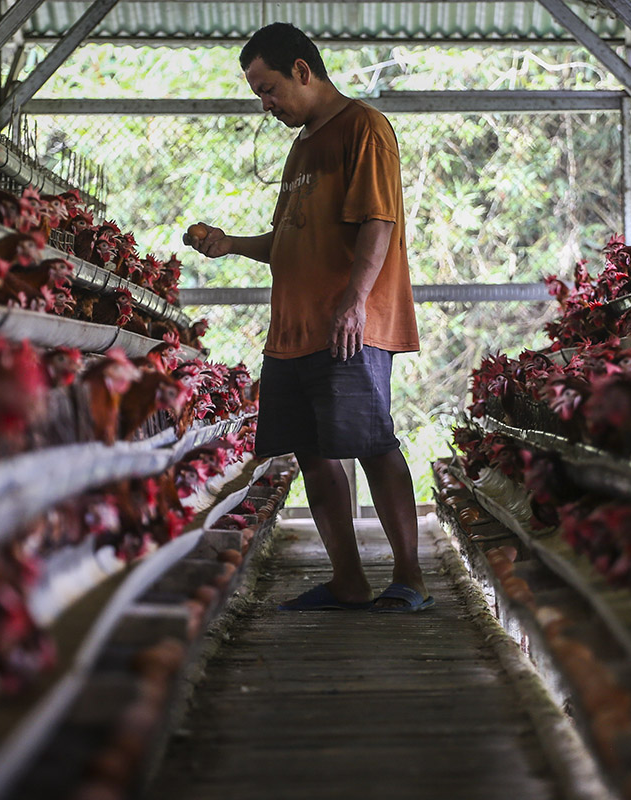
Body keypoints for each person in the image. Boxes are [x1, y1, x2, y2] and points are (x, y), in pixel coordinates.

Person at [184, 23, 432, 612]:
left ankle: (411, 580)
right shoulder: (302, 145)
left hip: (348, 324)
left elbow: (379, 221)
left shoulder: (363, 128)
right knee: (313, 453)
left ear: (302, 70)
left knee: (374, 444)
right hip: (293, 332)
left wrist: (354, 300)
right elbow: (290, 241)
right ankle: (348, 581)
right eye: (257, 95)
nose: (265, 105)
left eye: (268, 89)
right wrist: (230, 244)